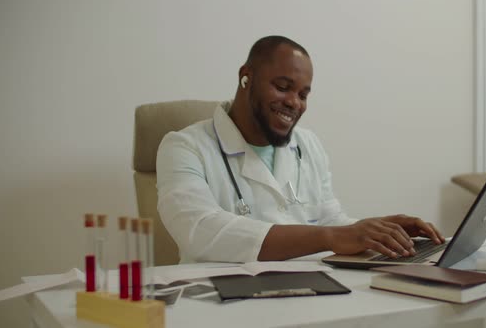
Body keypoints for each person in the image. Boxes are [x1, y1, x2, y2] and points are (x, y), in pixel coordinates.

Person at [156, 35, 444, 263]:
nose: (295, 102)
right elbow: (199, 231)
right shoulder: (184, 147)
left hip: (307, 291)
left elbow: (331, 220)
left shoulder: (308, 145)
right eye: (283, 87)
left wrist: (378, 231)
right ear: (247, 77)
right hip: (219, 299)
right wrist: (332, 236)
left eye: (303, 94)